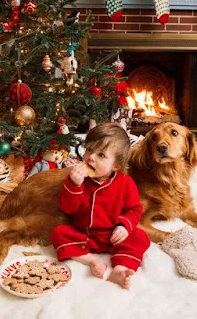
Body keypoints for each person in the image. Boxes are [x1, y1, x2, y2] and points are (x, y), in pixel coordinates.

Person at [50, 123, 150, 290]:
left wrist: (124, 226)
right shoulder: (78, 178)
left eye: (101, 155)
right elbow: (67, 208)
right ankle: (91, 261)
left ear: (116, 165)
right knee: (58, 232)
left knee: (140, 236)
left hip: (113, 236)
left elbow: (134, 210)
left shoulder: (126, 183)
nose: (91, 157)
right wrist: (75, 185)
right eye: (89, 150)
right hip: (83, 235)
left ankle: (119, 269)